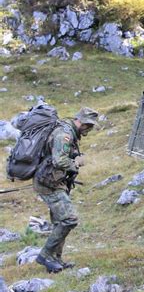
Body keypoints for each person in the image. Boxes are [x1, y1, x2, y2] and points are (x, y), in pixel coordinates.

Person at [34, 107, 99, 273]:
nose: (90, 130)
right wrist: (76, 163)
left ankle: (55, 260)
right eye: (89, 126)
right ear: (82, 122)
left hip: (55, 181)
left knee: (59, 221)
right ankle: (45, 255)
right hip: (49, 183)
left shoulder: (70, 131)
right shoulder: (65, 134)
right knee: (70, 219)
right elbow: (58, 161)